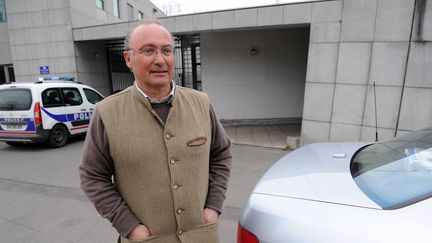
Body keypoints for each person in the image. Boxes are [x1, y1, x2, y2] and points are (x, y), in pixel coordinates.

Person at [79, 20, 232, 243]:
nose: (160, 60)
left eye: (166, 51)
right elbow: (92, 175)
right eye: (148, 50)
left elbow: (221, 153)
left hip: (202, 236)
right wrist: (129, 227)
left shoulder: (201, 103)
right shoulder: (107, 112)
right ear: (128, 59)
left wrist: (213, 207)